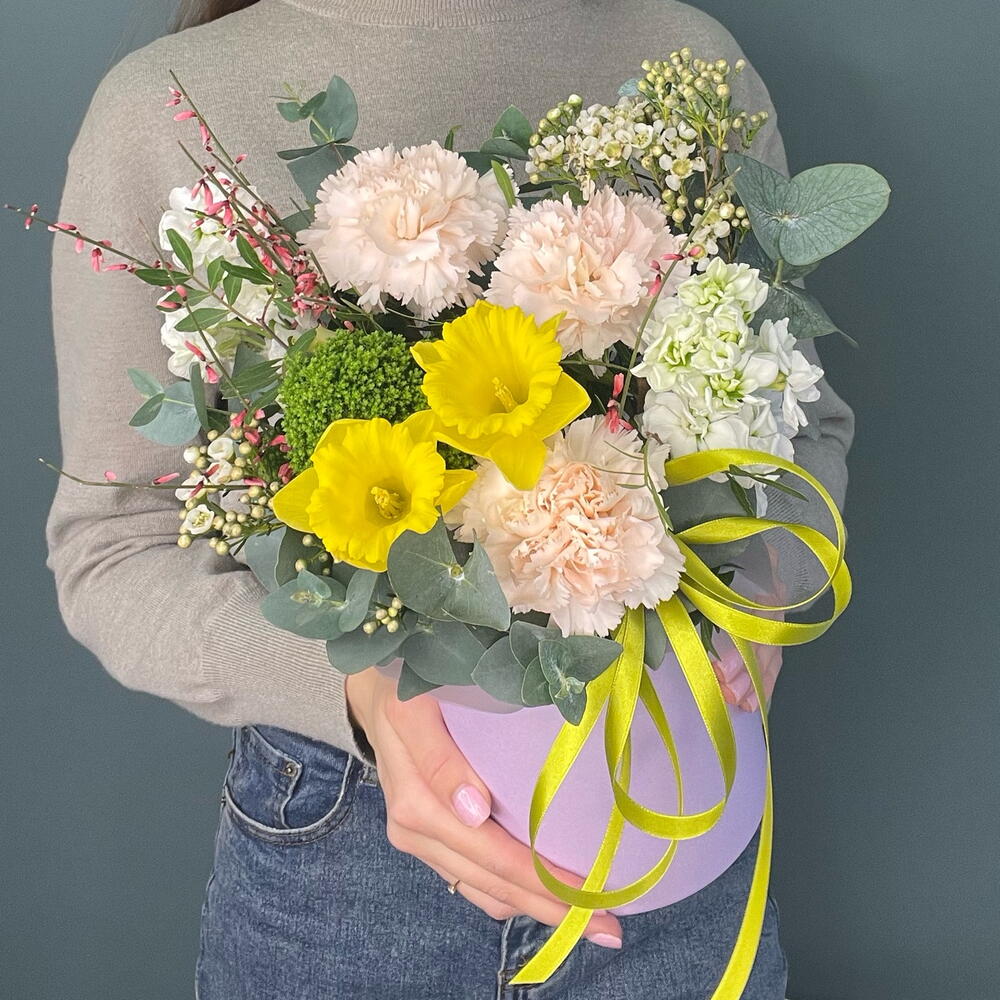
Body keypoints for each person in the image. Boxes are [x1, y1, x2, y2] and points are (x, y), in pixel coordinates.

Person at [47, 1, 854, 996]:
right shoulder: (161, 109)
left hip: (665, 787)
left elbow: (800, 423)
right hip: (346, 858)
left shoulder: (683, 58)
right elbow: (112, 546)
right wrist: (356, 693)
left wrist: (761, 595)